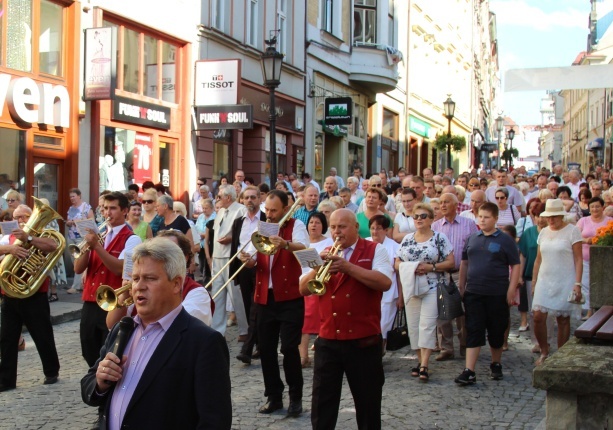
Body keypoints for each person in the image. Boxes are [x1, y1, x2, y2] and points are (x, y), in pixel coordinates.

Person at [80, 238, 232, 429]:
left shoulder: (204, 341)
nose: (138, 287)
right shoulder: (123, 329)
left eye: (150, 278)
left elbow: (214, 421)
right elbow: (88, 384)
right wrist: (100, 383)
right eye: (135, 279)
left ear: (176, 284)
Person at [299, 209, 392, 429]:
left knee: (368, 406)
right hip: (328, 340)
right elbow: (303, 288)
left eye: (342, 226)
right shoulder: (320, 251)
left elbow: (385, 282)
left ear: (356, 227)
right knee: (322, 406)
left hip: (363, 341)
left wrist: (348, 267)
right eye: (333, 227)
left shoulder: (375, 249)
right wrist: (317, 268)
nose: (336, 232)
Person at [239, 190, 308, 417]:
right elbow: (251, 256)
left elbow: (305, 248)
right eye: (267, 210)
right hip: (264, 298)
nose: (269, 214)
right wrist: (246, 260)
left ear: (286, 209)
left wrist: (285, 243)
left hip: (289, 298)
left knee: (289, 348)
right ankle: (274, 396)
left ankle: (296, 396)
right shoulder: (262, 226)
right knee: (266, 350)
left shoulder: (295, 225)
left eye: (274, 210)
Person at [74, 192, 142, 368]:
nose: (107, 213)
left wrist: (96, 245)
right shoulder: (100, 234)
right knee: (88, 346)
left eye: (113, 208)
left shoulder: (132, 238)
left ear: (125, 211)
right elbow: (78, 268)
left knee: (109, 349)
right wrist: (87, 247)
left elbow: (119, 267)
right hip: (90, 300)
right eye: (104, 208)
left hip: (113, 303)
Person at [454, 202, 520, 385]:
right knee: (474, 328)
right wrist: (462, 285)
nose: (482, 220)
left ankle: (496, 362)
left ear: (496, 219)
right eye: (480, 216)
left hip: (497, 292)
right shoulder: (472, 238)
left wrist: (511, 289)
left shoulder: (505, 240)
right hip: (474, 292)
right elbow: (465, 263)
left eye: (486, 217)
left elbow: (515, 265)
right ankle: (469, 370)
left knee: (496, 329)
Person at [0, 204, 61, 392]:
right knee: (7, 338)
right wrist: (10, 249)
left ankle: (51, 371)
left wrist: (29, 238)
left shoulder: (43, 234)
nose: (20, 221)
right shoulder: (7, 238)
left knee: (42, 334)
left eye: (24, 217)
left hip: (34, 295)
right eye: (17, 218)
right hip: (10, 294)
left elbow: (54, 246)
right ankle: (6, 380)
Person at [106, 230, 214, 328]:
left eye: (167, 251)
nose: (156, 256)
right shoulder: (139, 286)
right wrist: (124, 295)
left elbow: (177, 329)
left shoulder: (197, 293)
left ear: (184, 257)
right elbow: (112, 324)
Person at [531, 199, 583, 366]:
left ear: (561, 215)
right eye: (548, 217)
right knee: (538, 316)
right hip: (545, 279)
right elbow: (538, 260)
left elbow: (578, 259)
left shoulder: (572, 231)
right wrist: (534, 280)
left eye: (554, 216)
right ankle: (544, 350)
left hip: (565, 279)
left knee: (562, 318)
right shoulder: (544, 232)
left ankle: (560, 355)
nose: (551, 220)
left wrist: (578, 283)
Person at [432, 193, 478, 361]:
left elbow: (476, 249)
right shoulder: (435, 226)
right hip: (442, 273)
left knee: (464, 312)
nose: (443, 205)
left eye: (446, 202)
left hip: (462, 272)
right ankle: (446, 347)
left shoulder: (469, 225)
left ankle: (465, 344)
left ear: (456, 205)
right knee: (442, 312)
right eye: (441, 202)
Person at [232, 186, 267, 364]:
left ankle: (247, 348)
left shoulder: (266, 220)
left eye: (254, 197)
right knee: (248, 306)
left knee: (256, 307)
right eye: (247, 198)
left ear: (260, 199)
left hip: (261, 266)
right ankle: (261, 346)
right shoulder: (239, 221)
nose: (250, 200)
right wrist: (240, 257)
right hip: (243, 266)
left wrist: (256, 257)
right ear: (242, 200)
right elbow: (236, 245)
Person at [299, 212, 333, 368]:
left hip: (321, 285)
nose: (313, 225)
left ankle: (323, 354)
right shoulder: (303, 243)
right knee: (304, 323)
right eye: (311, 222)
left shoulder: (329, 242)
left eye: (317, 222)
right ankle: (303, 356)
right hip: (303, 283)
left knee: (322, 320)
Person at [368, 215, 400, 355]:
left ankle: (379, 352)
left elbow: (398, 274)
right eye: (372, 228)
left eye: (379, 228)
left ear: (386, 230)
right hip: (368, 291)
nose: (375, 232)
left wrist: (401, 297)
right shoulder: (365, 243)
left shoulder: (394, 247)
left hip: (388, 293)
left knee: (384, 325)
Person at [576, 196, 611, 319]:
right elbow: (575, 236)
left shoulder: (609, 221)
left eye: (597, 206)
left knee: (601, 284)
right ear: (589, 209)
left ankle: (603, 312)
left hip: (604, 259)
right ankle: (589, 311)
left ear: (603, 207)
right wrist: (586, 240)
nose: (595, 209)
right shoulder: (583, 221)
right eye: (592, 207)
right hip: (585, 257)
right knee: (586, 284)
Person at [65, 188, 95, 294]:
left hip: (81, 236)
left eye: (73, 196)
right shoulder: (71, 208)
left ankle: (76, 286)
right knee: (74, 261)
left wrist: (79, 221)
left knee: (79, 259)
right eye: (70, 197)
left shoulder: (86, 207)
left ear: (79, 196)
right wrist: (69, 222)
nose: (71, 198)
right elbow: (68, 220)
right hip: (71, 235)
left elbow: (92, 220)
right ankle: (82, 282)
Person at [195, 198, 215, 283]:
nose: (204, 210)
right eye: (203, 208)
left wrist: (204, 235)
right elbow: (196, 227)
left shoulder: (215, 216)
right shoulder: (201, 216)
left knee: (208, 264)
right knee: (201, 264)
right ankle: (204, 279)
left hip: (210, 244)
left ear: (211, 208)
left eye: (206, 208)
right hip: (201, 244)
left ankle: (209, 280)